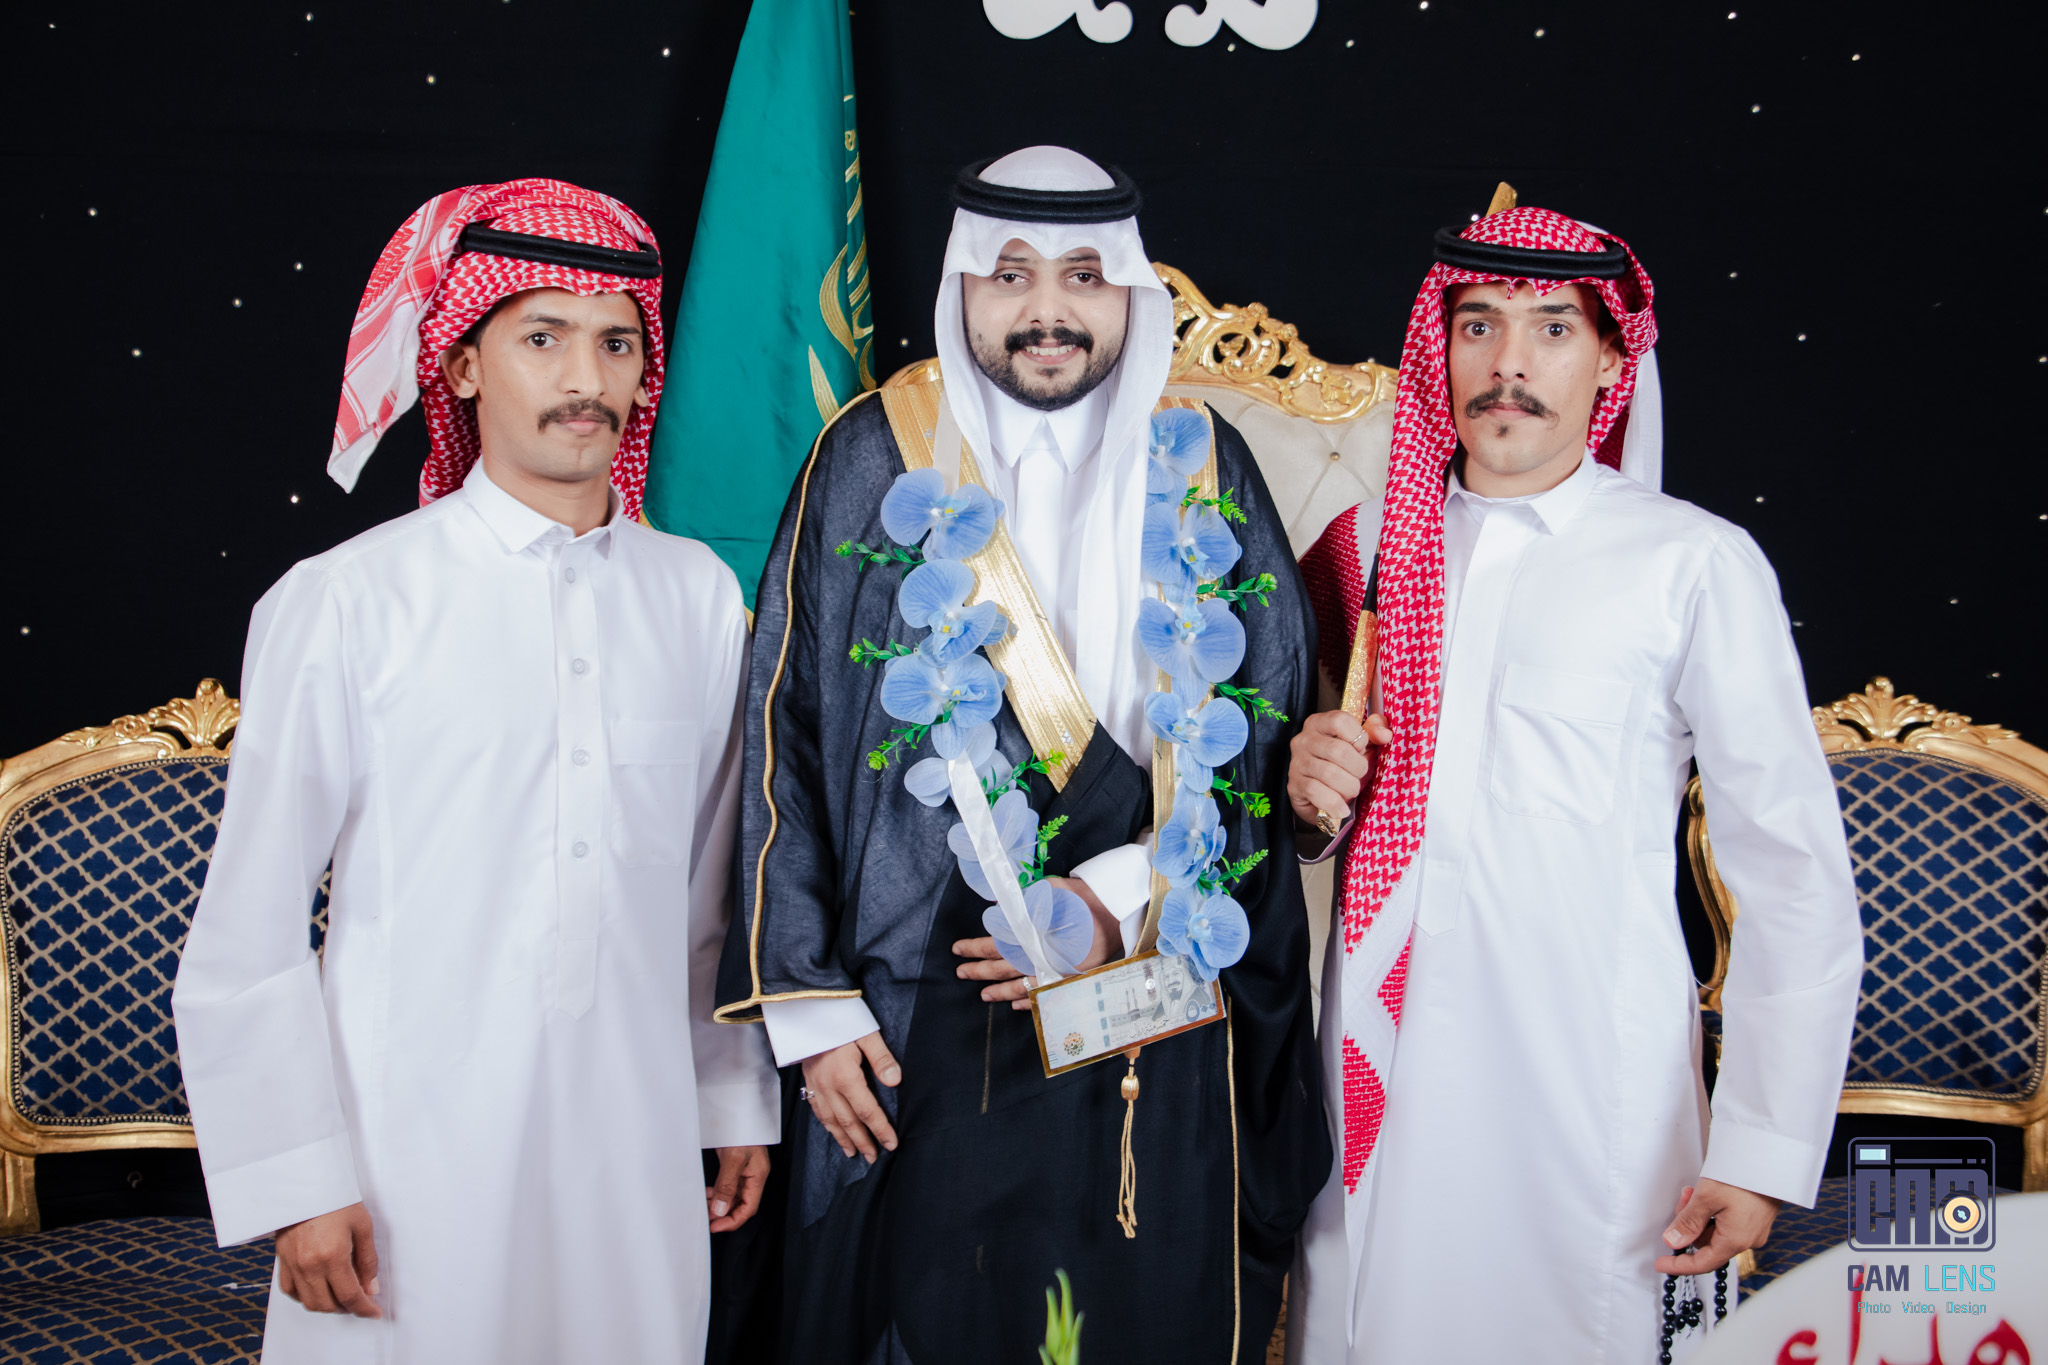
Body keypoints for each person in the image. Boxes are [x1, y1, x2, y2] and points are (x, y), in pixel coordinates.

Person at [713, 146, 1328, 1364]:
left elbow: (1259, 731)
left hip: (1149, 991)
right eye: (1009, 275)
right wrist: (810, 1006)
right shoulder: (870, 455)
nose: (1047, 309)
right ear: (962, 286)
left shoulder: (1202, 461)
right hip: (909, 1005)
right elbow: (783, 734)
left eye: (1083, 275)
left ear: (1129, 292)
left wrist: (1113, 897)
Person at [172, 178, 779, 1364]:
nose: (585, 379)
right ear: (459, 366)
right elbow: (248, 929)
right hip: (405, 1152)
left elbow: (709, 898)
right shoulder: (349, 600)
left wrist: (727, 1097)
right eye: (541, 338)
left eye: (615, 344)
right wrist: (297, 1179)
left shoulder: (696, 596)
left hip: (631, 1139)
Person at [1284, 204, 1863, 1361]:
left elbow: (1791, 871)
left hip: (1583, 1076)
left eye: (1551, 328)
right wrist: (1302, 802)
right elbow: (1285, 807)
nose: (1508, 363)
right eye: (1478, 325)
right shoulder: (1362, 551)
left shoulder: (1688, 562)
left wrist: (1758, 1151)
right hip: (1371, 1059)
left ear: (1608, 358)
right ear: (1438, 347)